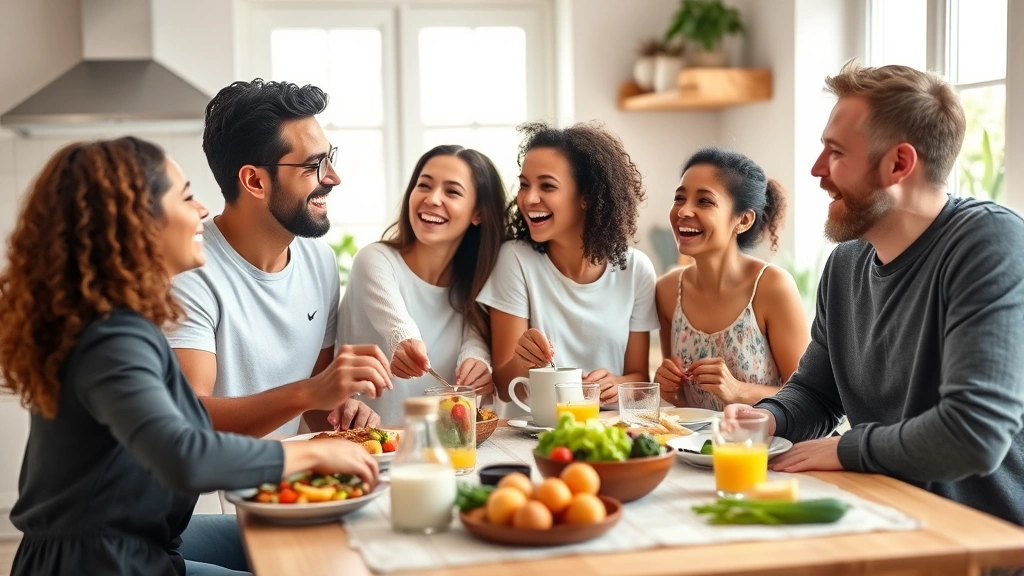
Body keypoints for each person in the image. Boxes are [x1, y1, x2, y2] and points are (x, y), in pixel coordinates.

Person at [0, 137, 380, 576]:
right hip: (99, 563)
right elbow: (183, 455)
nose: (201, 209)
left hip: (138, 540)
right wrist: (311, 456)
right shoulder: (112, 337)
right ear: (137, 222)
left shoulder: (120, 323)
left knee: (317, 541)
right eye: (185, 196)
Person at [724, 61, 1024, 527]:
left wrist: (847, 447)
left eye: (836, 152)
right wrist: (769, 419)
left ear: (899, 163)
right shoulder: (845, 265)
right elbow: (818, 394)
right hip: (889, 518)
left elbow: (974, 433)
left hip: (983, 542)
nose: (816, 169)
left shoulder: (989, 242)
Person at [167, 79, 391, 438]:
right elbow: (190, 415)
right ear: (255, 181)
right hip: (211, 492)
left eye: (330, 158)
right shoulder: (190, 272)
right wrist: (310, 392)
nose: (333, 177)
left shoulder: (320, 262)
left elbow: (315, 403)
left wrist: (341, 411)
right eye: (313, 165)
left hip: (283, 485)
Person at [478, 121, 659, 408]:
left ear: (587, 196)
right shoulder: (514, 260)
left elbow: (639, 378)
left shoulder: (636, 270)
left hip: (607, 429)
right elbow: (503, 386)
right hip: (537, 431)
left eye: (547, 186)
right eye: (524, 185)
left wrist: (615, 384)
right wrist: (524, 361)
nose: (529, 198)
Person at [336, 145, 506, 426]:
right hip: (368, 446)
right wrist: (404, 343)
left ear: (479, 214)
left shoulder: (475, 286)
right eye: (424, 185)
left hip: (444, 451)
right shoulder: (375, 260)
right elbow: (399, 329)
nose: (432, 199)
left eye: (452, 192)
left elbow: (475, 343)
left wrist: (478, 368)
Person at [653, 147, 809, 410]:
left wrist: (738, 391)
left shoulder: (772, 287)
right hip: (696, 448)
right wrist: (669, 387)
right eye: (680, 198)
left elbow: (807, 399)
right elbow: (686, 403)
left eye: (704, 201)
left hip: (765, 447)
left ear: (744, 220)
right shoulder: (667, 291)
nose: (683, 211)